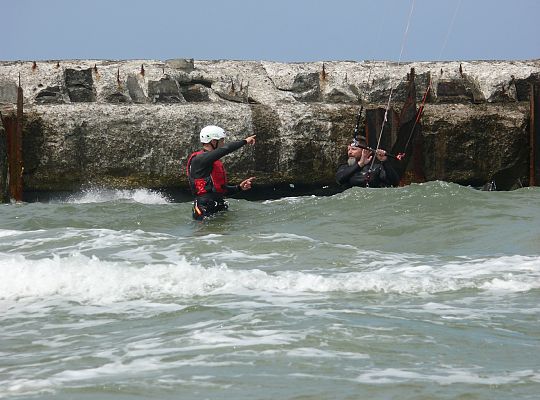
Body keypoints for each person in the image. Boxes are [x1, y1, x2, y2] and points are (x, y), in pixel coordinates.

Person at [186, 125, 256, 220]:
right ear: (213, 141)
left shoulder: (211, 161)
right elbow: (226, 149)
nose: (223, 144)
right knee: (207, 234)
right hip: (204, 209)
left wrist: (239, 187)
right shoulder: (199, 159)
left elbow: (219, 191)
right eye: (222, 141)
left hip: (218, 206)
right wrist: (244, 141)